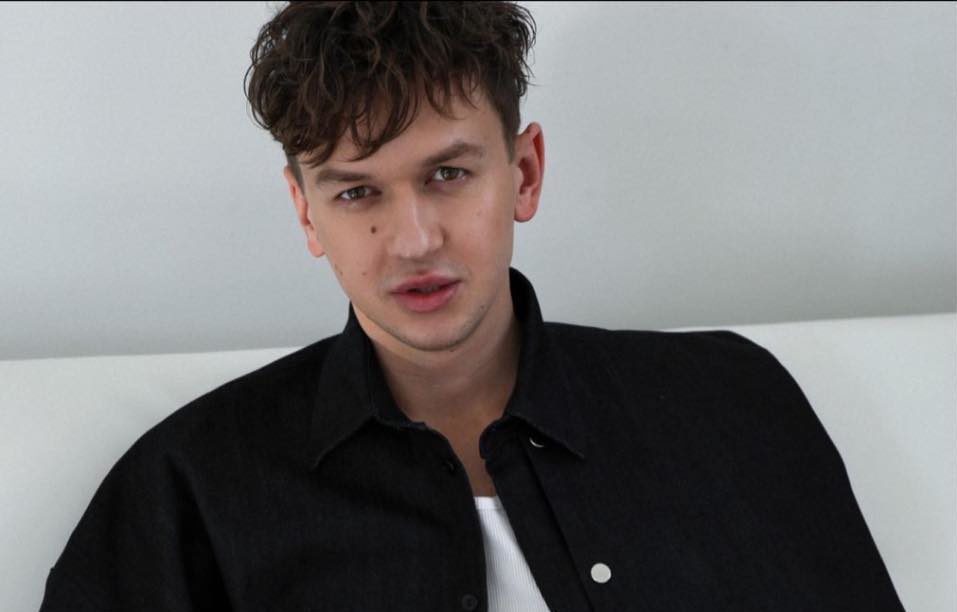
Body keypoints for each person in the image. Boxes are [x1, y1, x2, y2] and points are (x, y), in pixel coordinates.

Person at [40, 2, 907, 611]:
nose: (413, 239)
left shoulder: (728, 403)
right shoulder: (190, 486)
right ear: (304, 212)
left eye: (447, 174)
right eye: (355, 193)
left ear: (523, 172)